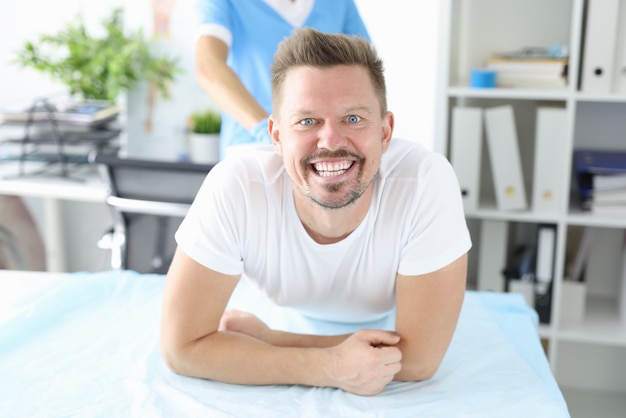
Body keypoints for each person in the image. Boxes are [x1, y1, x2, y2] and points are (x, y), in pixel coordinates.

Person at [161, 28, 471, 396]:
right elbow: (182, 347)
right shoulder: (236, 186)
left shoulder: (425, 183)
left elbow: (419, 359)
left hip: (309, 322)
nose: (331, 141)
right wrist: (328, 367)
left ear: (386, 132)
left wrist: (273, 340)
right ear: (276, 136)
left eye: (353, 118)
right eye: (307, 121)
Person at [194, 0, 370, 159]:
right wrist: (267, 130)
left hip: (325, 149)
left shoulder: (339, 4)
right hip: (253, 147)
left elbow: (366, 74)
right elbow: (209, 66)